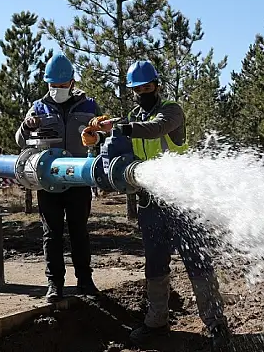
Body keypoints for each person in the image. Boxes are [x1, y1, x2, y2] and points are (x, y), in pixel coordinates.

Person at [82, 60, 231, 350]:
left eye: (147, 87)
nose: (142, 92)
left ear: (157, 86)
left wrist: (122, 127)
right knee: (155, 265)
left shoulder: (172, 111)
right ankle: (156, 320)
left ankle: (215, 324)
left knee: (197, 263)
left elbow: (154, 129)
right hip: (150, 204)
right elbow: (119, 151)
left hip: (182, 202)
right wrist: (95, 140)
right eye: (137, 89)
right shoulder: (132, 116)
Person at [15, 53, 105, 303]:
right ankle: (54, 284)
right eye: (53, 85)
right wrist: (26, 125)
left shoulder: (89, 106)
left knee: (79, 232)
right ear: (47, 84)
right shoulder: (38, 107)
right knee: (51, 234)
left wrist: (97, 136)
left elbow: (103, 136)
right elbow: (20, 141)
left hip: (78, 180)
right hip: (48, 181)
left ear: (72, 83)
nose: (57, 89)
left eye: (61, 85)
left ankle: (85, 282)